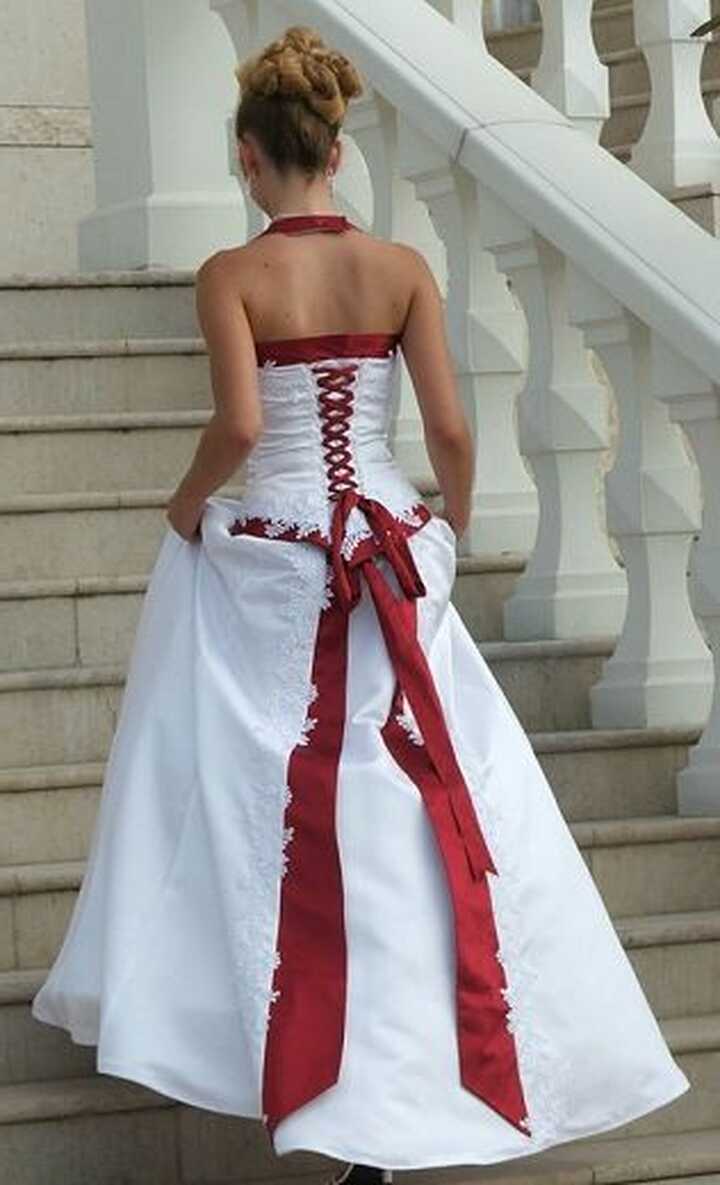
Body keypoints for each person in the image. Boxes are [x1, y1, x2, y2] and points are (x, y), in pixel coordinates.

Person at [31, 23, 690, 1185]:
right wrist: (450, 525)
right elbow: (448, 428)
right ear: (335, 150)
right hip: (386, 553)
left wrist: (187, 510)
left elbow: (242, 429)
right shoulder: (400, 270)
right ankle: (418, 1070)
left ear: (247, 158)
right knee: (419, 809)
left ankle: (281, 1052)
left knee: (260, 799)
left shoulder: (233, 275)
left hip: (283, 553)